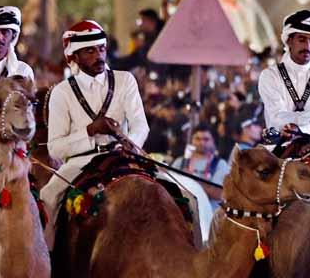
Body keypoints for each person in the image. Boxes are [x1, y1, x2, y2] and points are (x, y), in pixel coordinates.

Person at [41, 20, 211, 244]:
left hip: (125, 155)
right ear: (74, 56)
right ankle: (50, 264)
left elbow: (141, 124)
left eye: (101, 49)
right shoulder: (61, 93)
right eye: (90, 51)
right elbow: (55, 147)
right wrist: (90, 131)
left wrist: (130, 142)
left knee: (190, 197)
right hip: (80, 162)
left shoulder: (125, 80)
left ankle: (195, 262)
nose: (99, 55)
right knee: (48, 197)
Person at [256, 10, 310, 145]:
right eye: (302, 40)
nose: (308, 46)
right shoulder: (270, 76)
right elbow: (277, 117)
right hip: (279, 147)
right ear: (289, 40)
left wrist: (300, 130)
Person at [171, 124, 230, 215]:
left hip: (208, 216)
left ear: (213, 141)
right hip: (181, 213)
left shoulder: (220, 164)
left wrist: (191, 179)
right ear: (192, 141)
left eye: (206, 139)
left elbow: (219, 194)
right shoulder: (180, 161)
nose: (202, 143)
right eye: (197, 139)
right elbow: (168, 186)